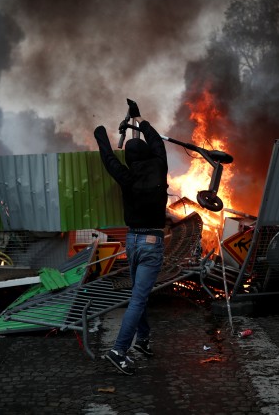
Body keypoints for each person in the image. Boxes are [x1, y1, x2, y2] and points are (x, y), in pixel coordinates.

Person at [93, 99, 168, 375]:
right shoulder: (160, 165)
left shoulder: (127, 177)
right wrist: (141, 121)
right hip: (151, 244)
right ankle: (119, 351)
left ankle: (143, 339)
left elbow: (108, 159)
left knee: (139, 295)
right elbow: (157, 141)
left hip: (133, 242)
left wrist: (101, 135)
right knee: (138, 299)